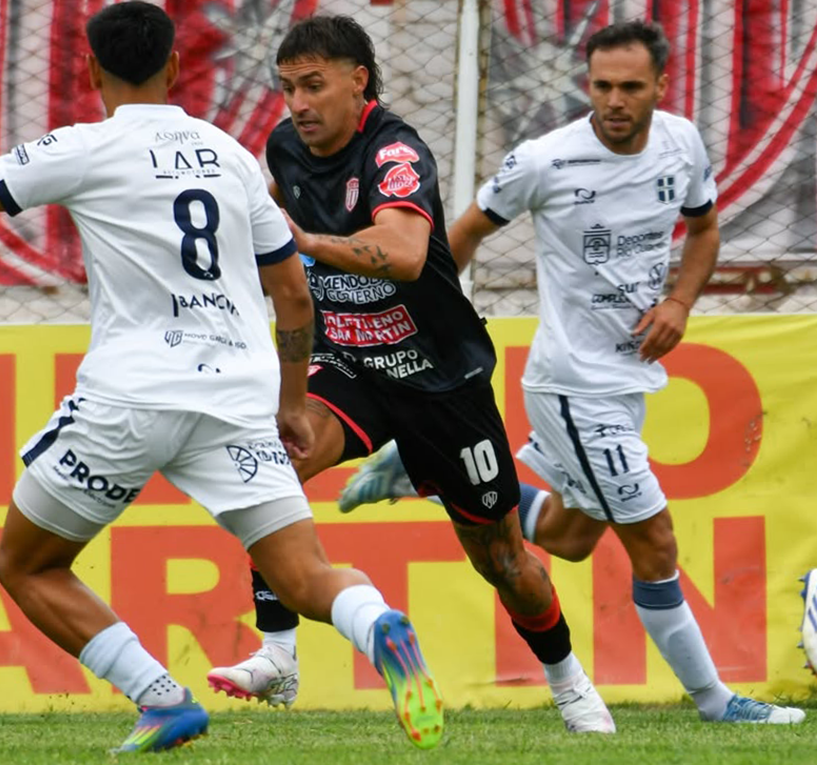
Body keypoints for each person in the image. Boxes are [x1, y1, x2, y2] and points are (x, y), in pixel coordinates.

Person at [0, 2, 446, 751]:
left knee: (29, 564)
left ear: (91, 69)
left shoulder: (85, 147)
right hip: (237, 396)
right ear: (173, 67)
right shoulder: (230, 155)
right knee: (305, 575)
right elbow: (292, 293)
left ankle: (162, 699)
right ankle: (379, 620)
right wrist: (292, 404)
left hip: (132, 397)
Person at [334, 19, 805, 724]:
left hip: (627, 379)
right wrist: (430, 325)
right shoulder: (544, 160)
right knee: (655, 539)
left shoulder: (682, 143)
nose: (614, 100)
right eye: (601, 86)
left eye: (630, 87)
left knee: (571, 535)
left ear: (659, 87)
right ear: (587, 83)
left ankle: (423, 473)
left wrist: (679, 300)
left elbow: (704, 228)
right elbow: (458, 236)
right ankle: (716, 700)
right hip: (574, 383)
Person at [205, 15, 614, 733]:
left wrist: (302, 242)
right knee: (269, 464)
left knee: (502, 559)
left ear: (357, 80)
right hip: (348, 365)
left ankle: (569, 681)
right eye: (286, 87)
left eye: (313, 85)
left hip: (438, 379)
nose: (297, 103)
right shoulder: (284, 148)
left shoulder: (395, 152)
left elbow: (402, 252)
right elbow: (270, 224)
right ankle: (278, 653)